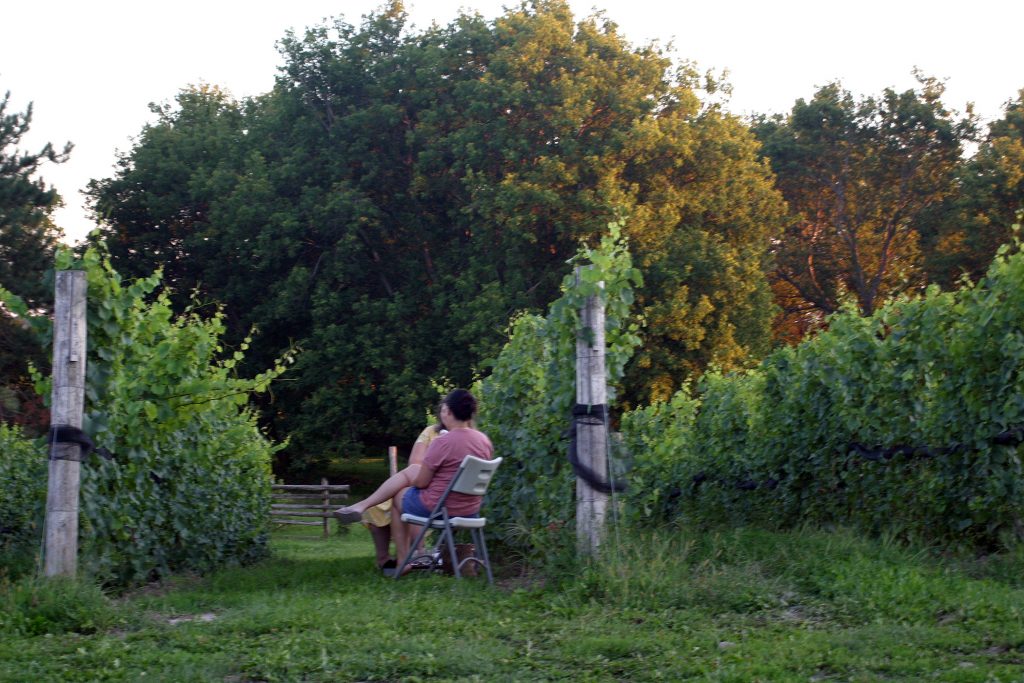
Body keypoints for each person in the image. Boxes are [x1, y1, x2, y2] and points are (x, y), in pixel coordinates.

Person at [334, 388, 493, 568]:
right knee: (412, 473)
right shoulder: (484, 441)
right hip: (470, 509)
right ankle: (364, 508)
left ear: (448, 411)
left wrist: (420, 478)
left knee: (399, 494)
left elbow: (421, 482)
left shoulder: (443, 442)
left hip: (442, 509)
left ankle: (403, 561)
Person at [361, 409, 446, 571]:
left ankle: (415, 553)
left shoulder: (458, 437)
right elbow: (415, 462)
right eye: (442, 411)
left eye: (447, 411)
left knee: (403, 499)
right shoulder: (431, 432)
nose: (444, 414)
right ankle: (384, 559)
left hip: (436, 492)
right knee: (378, 505)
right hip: (421, 482)